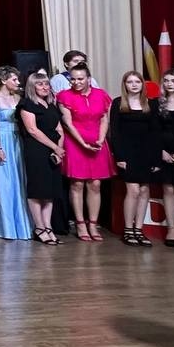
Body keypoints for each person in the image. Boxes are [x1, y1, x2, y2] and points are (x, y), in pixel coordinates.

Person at [56, 62, 114, 243]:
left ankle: (93, 224)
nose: (76, 82)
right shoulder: (64, 96)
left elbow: (104, 119)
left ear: (89, 79)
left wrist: (101, 139)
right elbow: (67, 123)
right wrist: (82, 143)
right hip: (75, 143)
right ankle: (80, 223)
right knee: (77, 184)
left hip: (97, 142)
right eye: (73, 79)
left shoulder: (101, 95)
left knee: (95, 184)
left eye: (80, 79)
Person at [0, 66, 32, 240]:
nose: (17, 82)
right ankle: (4, 226)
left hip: (17, 140)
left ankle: (22, 224)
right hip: (2, 141)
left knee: (19, 180)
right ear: (3, 81)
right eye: (14, 79)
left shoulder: (18, 98)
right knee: (4, 183)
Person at [110, 71, 160, 247]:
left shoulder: (151, 104)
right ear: (125, 85)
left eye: (137, 81)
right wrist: (119, 155)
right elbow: (114, 132)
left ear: (142, 84)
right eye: (130, 82)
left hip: (146, 152)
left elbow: (155, 132)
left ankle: (139, 229)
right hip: (127, 153)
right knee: (133, 191)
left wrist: (156, 159)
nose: (134, 85)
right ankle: (128, 229)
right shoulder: (118, 103)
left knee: (145, 191)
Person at [19, 72, 65, 246]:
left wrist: (58, 150)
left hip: (53, 151)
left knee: (49, 191)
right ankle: (39, 228)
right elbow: (32, 130)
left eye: (46, 84)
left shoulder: (51, 105)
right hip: (36, 151)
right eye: (40, 84)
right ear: (32, 87)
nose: (45, 87)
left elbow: (60, 129)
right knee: (37, 190)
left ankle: (48, 227)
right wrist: (55, 147)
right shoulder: (27, 104)